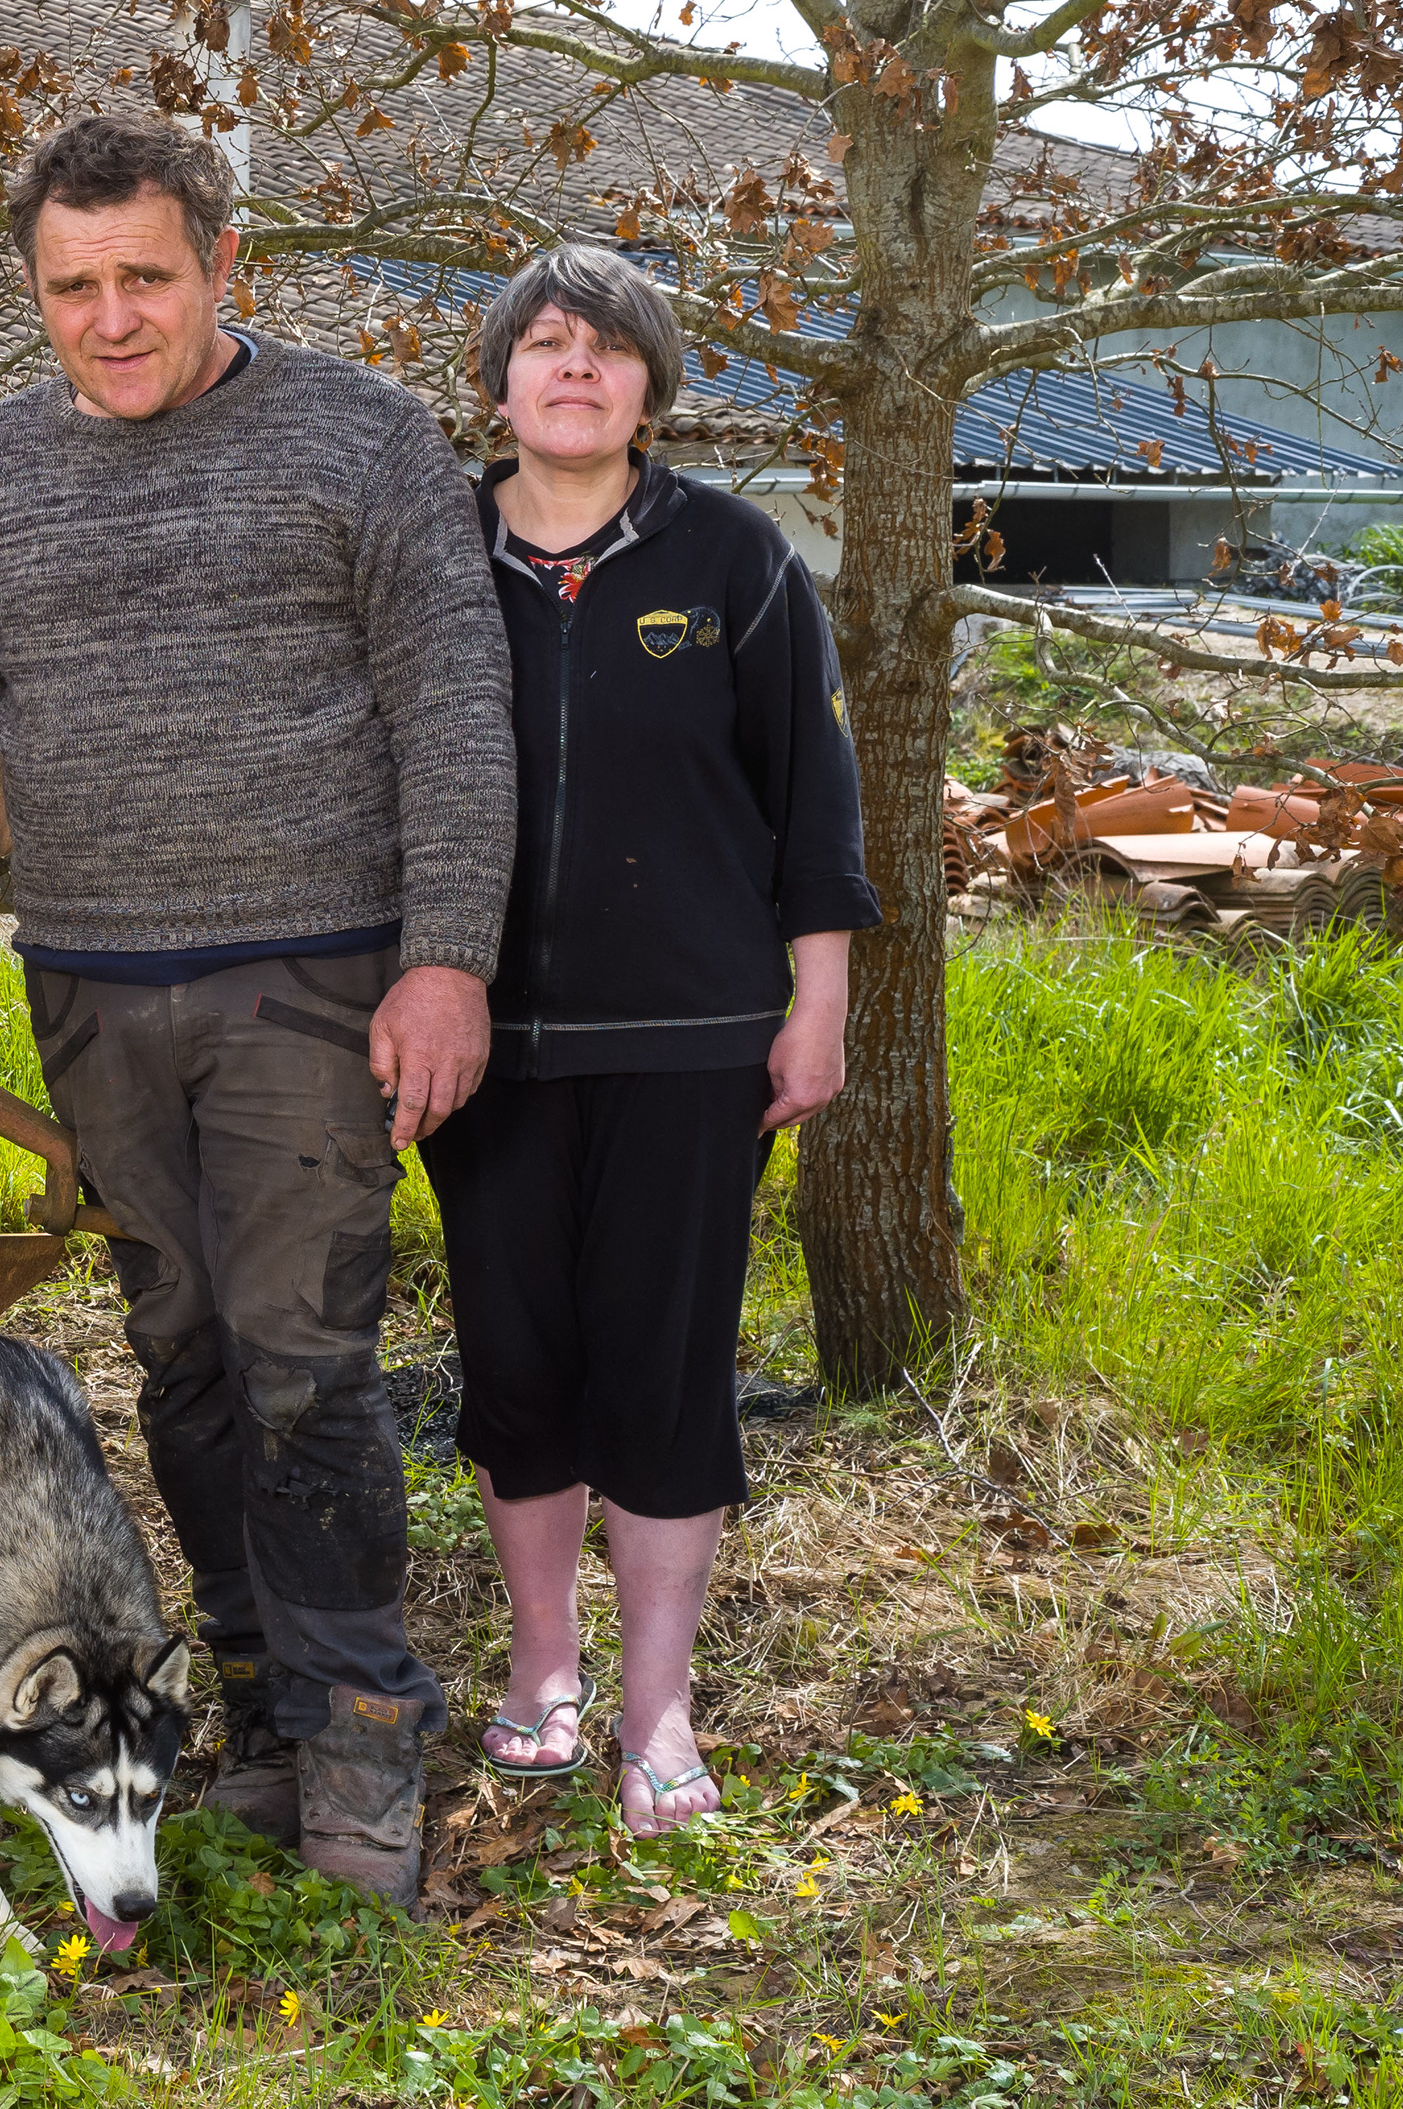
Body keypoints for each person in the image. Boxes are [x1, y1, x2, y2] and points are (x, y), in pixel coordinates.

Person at [0, 111, 513, 1903]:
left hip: (312, 978)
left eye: (145, 277)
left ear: (222, 266)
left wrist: (448, 956)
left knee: (307, 1363)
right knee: (182, 1359)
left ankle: (364, 1744)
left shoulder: (362, 439)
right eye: (73, 287)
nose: (111, 317)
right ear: (37, 292)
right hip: (92, 978)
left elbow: (459, 715)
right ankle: (254, 1717)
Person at [418, 243, 876, 1836]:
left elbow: (816, 812)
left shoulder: (735, 560)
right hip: (484, 1040)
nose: (572, 367)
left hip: (693, 1038)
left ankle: (654, 1701)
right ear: (497, 385)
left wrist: (816, 1003)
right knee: (520, 1360)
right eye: (542, 343)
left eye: (606, 348)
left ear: (649, 389)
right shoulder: (433, 556)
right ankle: (545, 1662)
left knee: (666, 1370)